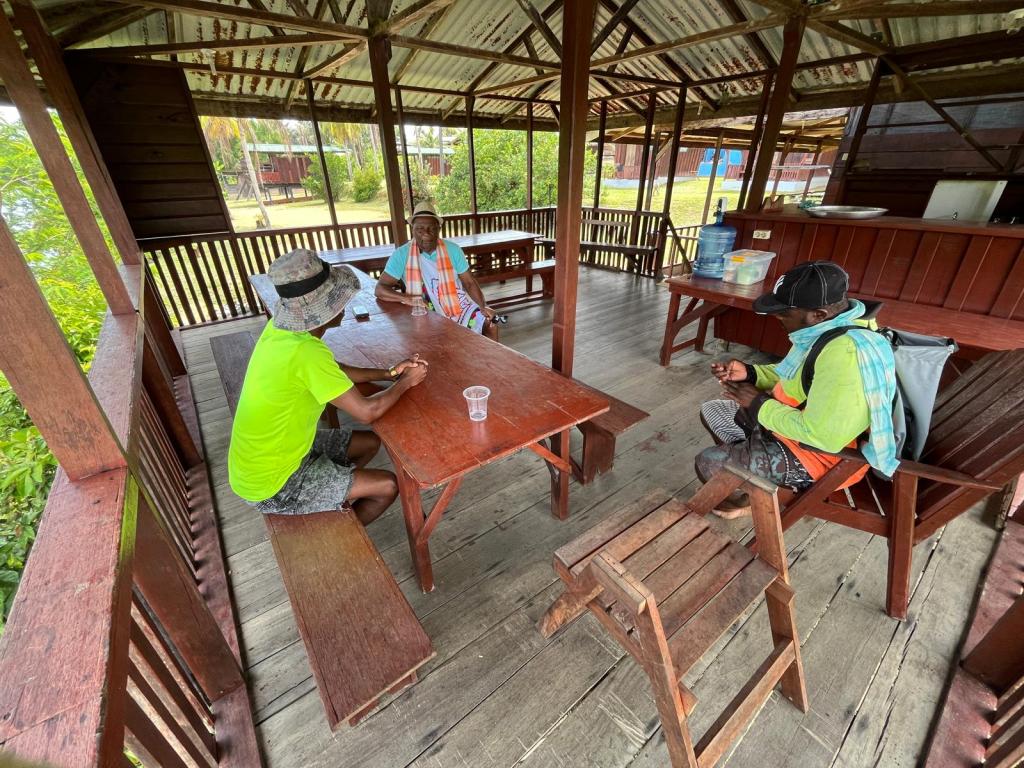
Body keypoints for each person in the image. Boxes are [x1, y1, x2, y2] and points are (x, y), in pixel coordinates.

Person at [228, 249, 428, 526]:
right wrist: (406, 382)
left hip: (277, 453)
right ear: (325, 310)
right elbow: (367, 412)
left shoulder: (283, 331)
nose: (344, 305)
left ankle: (331, 494)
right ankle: (344, 532)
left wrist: (390, 373)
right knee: (388, 485)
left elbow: (336, 371)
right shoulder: (305, 352)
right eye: (339, 300)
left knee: (370, 443)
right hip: (272, 483)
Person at [695, 261, 898, 518]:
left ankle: (748, 501)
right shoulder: (828, 328)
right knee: (713, 411)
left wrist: (758, 404)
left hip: (819, 457)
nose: (777, 318)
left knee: (709, 463)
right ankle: (750, 472)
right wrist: (751, 373)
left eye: (783, 313)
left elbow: (823, 437)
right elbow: (797, 376)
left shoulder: (846, 356)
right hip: (783, 431)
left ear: (818, 314)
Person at [375, 201, 500, 339]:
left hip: (458, 306)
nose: (426, 234)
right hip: (425, 310)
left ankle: (490, 354)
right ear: (412, 230)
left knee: (490, 324)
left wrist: (483, 306)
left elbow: (469, 283)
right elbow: (380, 289)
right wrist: (406, 298)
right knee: (431, 337)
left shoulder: (453, 249)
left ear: (438, 229)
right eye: (420, 229)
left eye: (431, 229)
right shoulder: (401, 254)